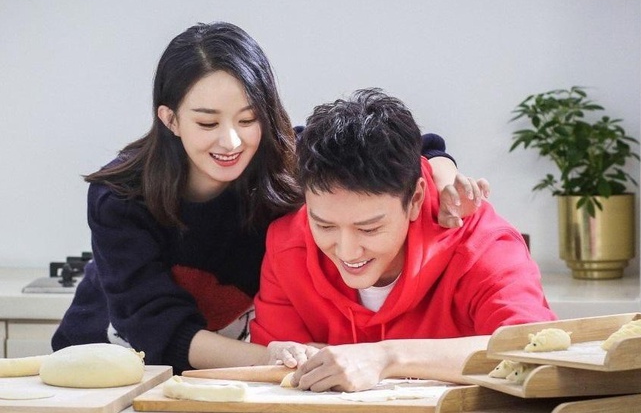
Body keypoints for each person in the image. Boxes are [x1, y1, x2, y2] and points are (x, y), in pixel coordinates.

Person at [51, 22, 488, 374]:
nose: (231, 141)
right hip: (107, 362)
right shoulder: (121, 197)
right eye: (207, 123)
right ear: (170, 119)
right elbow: (159, 330)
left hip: (221, 370)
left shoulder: (286, 158)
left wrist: (447, 179)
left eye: (248, 119)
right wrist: (280, 357)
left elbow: (405, 146)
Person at [250, 88, 557, 392]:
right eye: (324, 225)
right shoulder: (287, 245)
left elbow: (530, 351)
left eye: (369, 228)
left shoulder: (483, 245)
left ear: (415, 199)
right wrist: (280, 357)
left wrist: (387, 357)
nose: (347, 251)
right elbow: (271, 384)